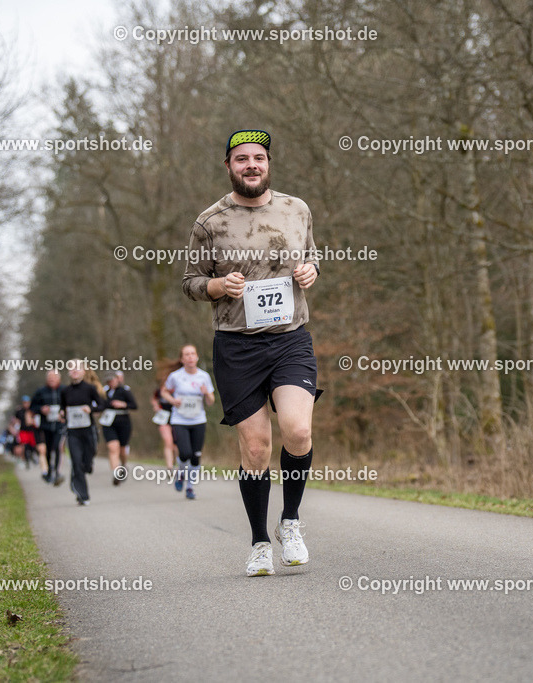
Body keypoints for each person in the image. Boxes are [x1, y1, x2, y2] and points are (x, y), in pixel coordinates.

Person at [182, 129, 321, 576]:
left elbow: (313, 256)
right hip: (237, 345)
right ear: (228, 166)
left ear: (268, 163)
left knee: (298, 431)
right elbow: (190, 283)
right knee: (257, 446)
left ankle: (291, 521)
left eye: (258, 157)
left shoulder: (296, 209)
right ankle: (260, 541)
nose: (251, 165)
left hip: (290, 337)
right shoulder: (210, 222)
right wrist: (219, 286)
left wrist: (310, 271)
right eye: (241, 158)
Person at [160, 345, 215, 500]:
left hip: (198, 420)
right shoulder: (175, 376)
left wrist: (206, 394)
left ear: (197, 357)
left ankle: (190, 487)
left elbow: (211, 401)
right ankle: (180, 473)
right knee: (185, 453)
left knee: (196, 457)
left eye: (193, 354)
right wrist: (172, 400)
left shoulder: (204, 376)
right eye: (187, 354)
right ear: (182, 359)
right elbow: (164, 391)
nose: (190, 357)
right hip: (179, 420)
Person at [61, 359, 106, 506]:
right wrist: (62, 414)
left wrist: (90, 409)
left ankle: (88, 464)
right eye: (71, 368)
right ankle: (82, 494)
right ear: (68, 371)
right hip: (73, 432)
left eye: (77, 368)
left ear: (83, 371)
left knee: (87, 460)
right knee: (76, 462)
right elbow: (62, 409)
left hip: (88, 431)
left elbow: (101, 405)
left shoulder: (90, 389)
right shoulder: (65, 391)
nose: (74, 370)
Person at [30, 370, 66, 486]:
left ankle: (56, 472)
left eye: (54, 377)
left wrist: (63, 412)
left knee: (57, 447)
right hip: (46, 426)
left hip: (60, 425)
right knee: (48, 450)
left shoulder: (64, 390)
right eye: (50, 378)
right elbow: (32, 407)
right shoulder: (40, 392)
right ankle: (49, 471)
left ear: (58, 379)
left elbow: (69, 404)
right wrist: (41, 409)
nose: (52, 380)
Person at [102, 371, 137, 485]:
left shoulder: (125, 391)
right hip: (108, 423)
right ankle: (116, 473)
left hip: (123, 423)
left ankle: (123, 465)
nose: (111, 382)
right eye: (109, 381)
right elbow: (99, 404)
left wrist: (123, 404)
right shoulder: (104, 391)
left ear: (117, 380)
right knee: (113, 447)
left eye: (112, 380)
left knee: (122, 449)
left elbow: (134, 405)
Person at [151, 363, 178, 472]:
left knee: (176, 445)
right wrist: (155, 406)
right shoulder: (159, 390)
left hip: (177, 416)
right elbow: (153, 398)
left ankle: (175, 461)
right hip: (163, 417)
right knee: (168, 441)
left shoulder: (177, 388)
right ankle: (170, 467)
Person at [13, 395, 37, 470]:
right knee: (23, 445)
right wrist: (15, 428)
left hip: (31, 430)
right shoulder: (19, 411)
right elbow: (16, 420)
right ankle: (25, 460)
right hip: (23, 431)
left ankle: (32, 456)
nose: (26, 404)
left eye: (27, 402)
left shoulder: (32, 410)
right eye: (25, 403)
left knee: (33, 445)